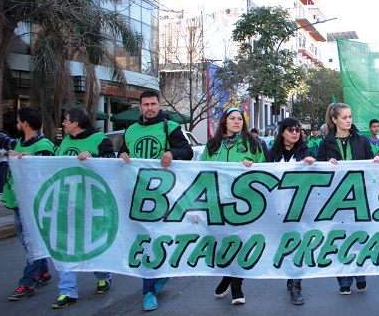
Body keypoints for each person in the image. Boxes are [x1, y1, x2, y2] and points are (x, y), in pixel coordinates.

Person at [118, 90, 194, 311]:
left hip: (165, 194)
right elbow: (124, 153)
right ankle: (149, 289)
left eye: (153, 104)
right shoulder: (130, 130)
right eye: (145, 104)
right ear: (139, 107)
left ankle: (159, 274)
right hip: (138, 194)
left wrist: (172, 152)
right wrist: (121, 155)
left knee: (161, 239)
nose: (149, 108)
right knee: (147, 241)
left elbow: (187, 152)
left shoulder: (170, 127)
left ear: (159, 105)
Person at [52, 108, 116, 309]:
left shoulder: (99, 139)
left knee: (89, 244)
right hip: (66, 202)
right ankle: (67, 290)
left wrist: (93, 156)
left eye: (66, 120)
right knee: (65, 246)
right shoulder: (64, 142)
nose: (63, 123)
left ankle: (104, 274)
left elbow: (111, 161)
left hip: (91, 203)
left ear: (76, 123)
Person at [203, 108, 268, 305]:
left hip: (244, 204)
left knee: (240, 243)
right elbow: (201, 171)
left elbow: (264, 169)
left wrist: (252, 167)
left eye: (240, 119)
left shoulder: (253, 144)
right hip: (218, 202)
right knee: (223, 243)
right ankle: (227, 276)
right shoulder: (213, 145)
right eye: (232, 118)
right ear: (224, 122)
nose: (237, 122)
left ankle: (237, 285)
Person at [0, 107, 55, 301]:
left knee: (31, 243)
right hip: (19, 203)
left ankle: (27, 282)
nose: (16, 125)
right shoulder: (19, 143)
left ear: (25, 124)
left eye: (18, 122)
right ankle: (42, 272)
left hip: (33, 205)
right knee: (30, 243)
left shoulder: (44, 145)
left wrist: (29, 160)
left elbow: (48, 171)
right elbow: (0, 139)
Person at [318, 104, 379, 295]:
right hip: (336, 199)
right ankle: (343, 279)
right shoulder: (326, 143)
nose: (348, 120)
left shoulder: (361, 140)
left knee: (359, 237)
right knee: (339, 239)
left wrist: (376, 162)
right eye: (344, 117)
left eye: (350, 116)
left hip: (360, 196)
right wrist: (326, 165)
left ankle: (360, 274)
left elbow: (371, 162)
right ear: (335, 120)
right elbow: (319, 169)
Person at [268, 117, 316, 305]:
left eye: (297, 130)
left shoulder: (306, 151)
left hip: (301, 207)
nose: (295, 133)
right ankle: (289, 276)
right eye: (290, 130)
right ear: (282, 133)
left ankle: (296, 284)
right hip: (278, 209)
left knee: (298, 243)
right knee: (284, 245)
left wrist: (313, 163)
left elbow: (318, 174)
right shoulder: (272, 153)